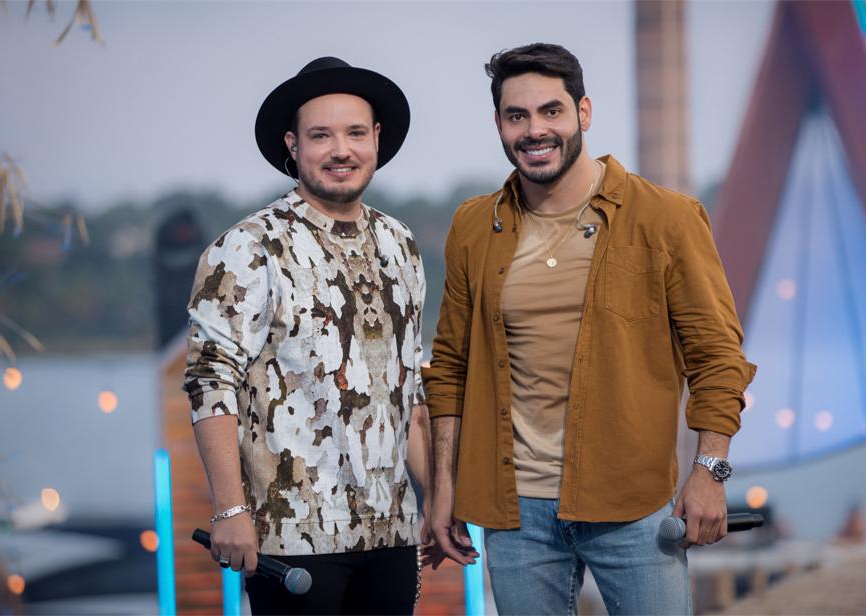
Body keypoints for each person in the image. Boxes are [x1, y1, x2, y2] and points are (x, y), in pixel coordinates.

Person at [422, 43, 757, 615]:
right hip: (515, 512)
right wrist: (443, 489)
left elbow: (717, 358)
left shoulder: (666, 218)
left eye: (551, 111)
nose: (534, 130)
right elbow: (452, 367)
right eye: (517, 115)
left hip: (633, 504)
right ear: (499, 124)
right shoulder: (475, 225)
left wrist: (710, 471)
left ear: (584, 112)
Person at [184, 56, 433, 615]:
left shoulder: (400, 243)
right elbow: (209, 382)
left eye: (355, 133)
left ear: (376, 139)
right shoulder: (249, 247)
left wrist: (439, 499)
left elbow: (410, 390)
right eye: (321, 135)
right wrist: (229, 510)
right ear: (293, 146)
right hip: (290, 535)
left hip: (393, 533)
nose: (341, 150)